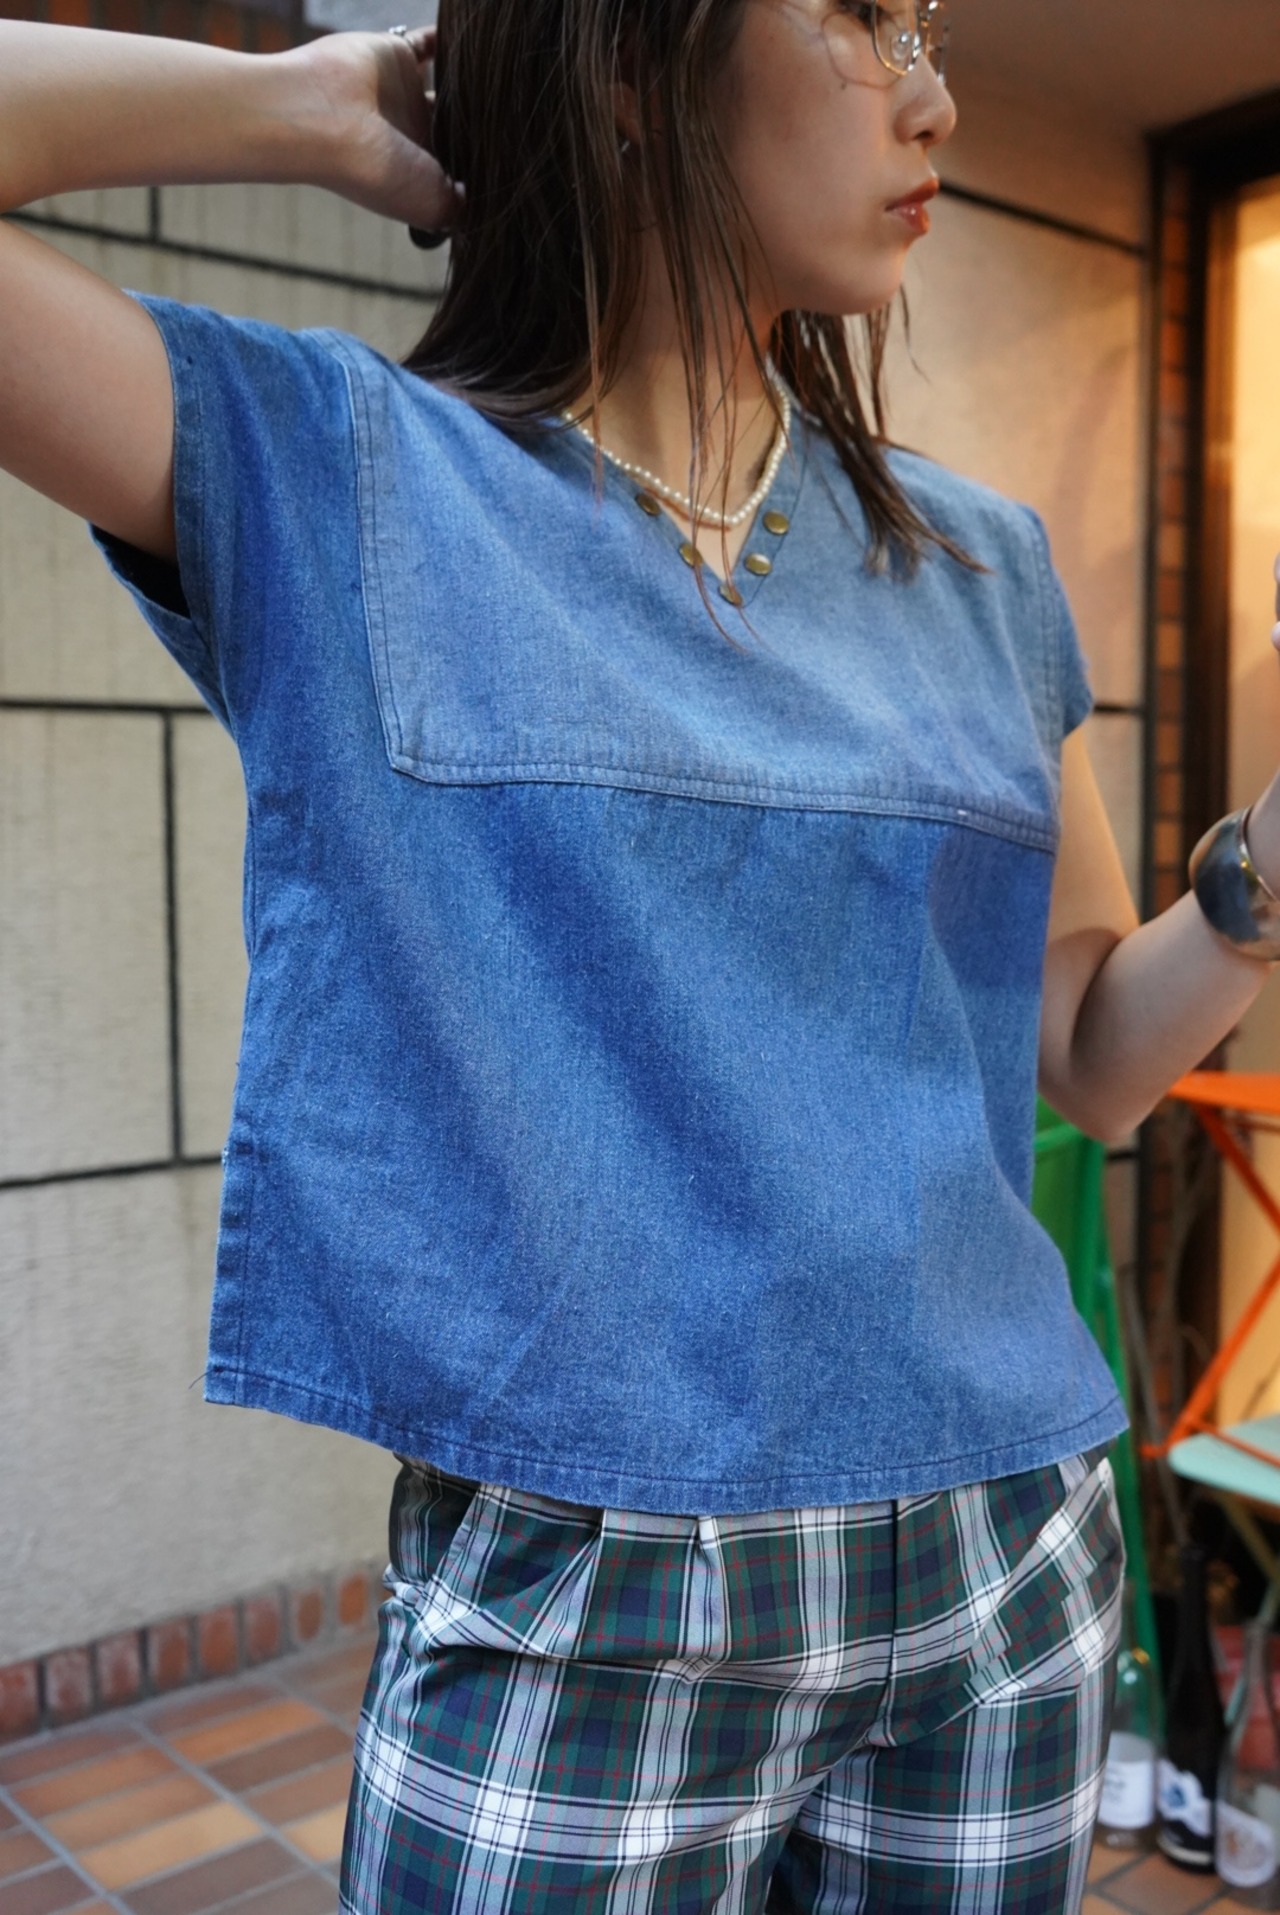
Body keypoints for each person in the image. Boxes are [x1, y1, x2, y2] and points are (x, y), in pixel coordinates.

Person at [3, 3, 1280, 1908]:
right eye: (860, 18)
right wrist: (319, 104)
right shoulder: (351, 475)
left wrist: (1259, 877)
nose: (933, 95)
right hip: (583, 1599)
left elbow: (1093, 1057)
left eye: (928, 26)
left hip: (996, 1563)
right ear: (630, 61)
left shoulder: (979, 565)